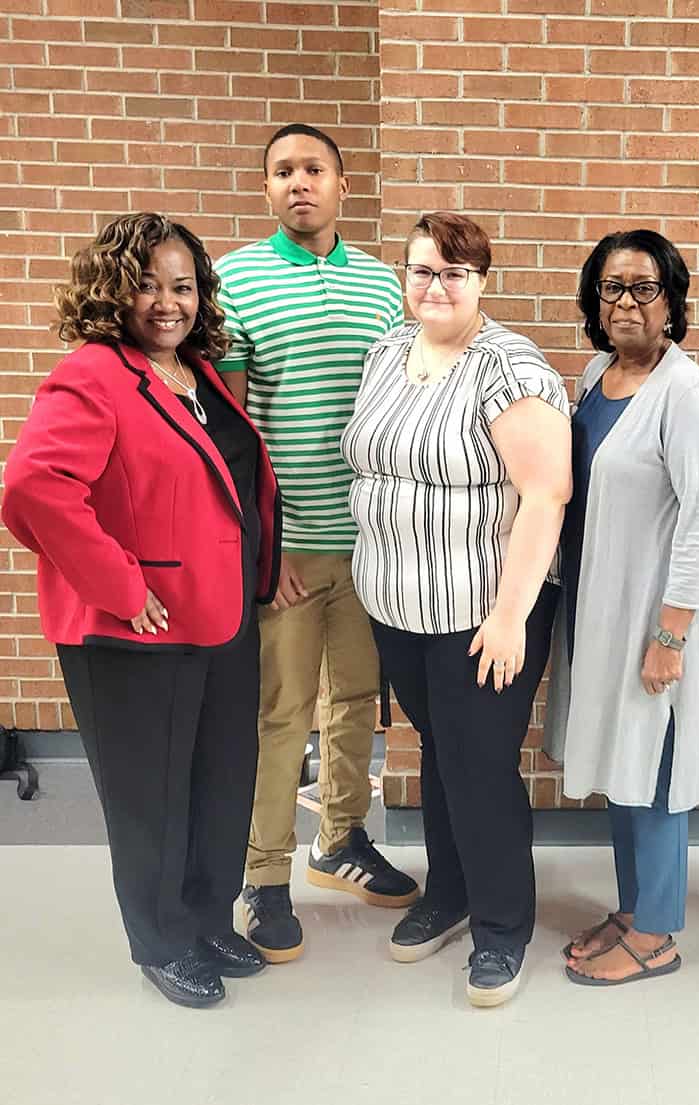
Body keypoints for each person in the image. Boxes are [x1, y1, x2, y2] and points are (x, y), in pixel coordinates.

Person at [2, 213, 282, 1008]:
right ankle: (161, 938)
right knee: (153, 793)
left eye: (183, 285)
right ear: (113, 292)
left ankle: (205, 915)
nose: (168, 302)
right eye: (148, 285)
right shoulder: (92, 375)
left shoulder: (195, 370)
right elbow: (34, 489)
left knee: (220, 778)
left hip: (219, 615)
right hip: (135, 627)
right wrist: (123, 585)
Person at [343, 212, 571, 1007]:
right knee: (439, 754)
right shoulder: (385, 354)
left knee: (478, 767)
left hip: (484, 612)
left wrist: (509, 616)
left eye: (453, 272)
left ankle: (502, 928)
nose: (434, 286)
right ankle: (449, 893)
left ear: (481, 281)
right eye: (420, 270)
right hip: (398, 607)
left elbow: (546, 495)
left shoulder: (510, 368)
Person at [215, 123, 416, 964]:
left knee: (355, 705)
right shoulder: (233, 280)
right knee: (281, 713)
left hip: (369, 546)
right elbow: (225, 427)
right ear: (267, 190)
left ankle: (341, 839)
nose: (300, 182)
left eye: (314, 169)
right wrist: (267, 546)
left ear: (341, 185)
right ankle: (262, 879)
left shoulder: (379, 285)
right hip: (289, 552)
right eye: (282, 171)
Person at [545, 230, 699, 986]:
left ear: (672, 300)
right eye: (612, 287)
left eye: (643, 287)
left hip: (656, 616)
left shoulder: (685, 394)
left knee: (653, 768)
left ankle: (657, 932)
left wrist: (671, 633)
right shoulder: (596, 375)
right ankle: (631, 908)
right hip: (598, 609)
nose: (626, 301)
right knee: (624, 761)